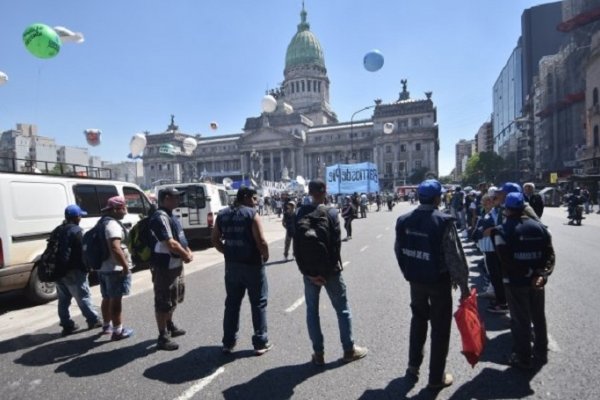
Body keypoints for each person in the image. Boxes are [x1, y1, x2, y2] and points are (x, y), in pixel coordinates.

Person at [394, 179, 469, 390]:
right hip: (438, 282)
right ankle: (436, 378)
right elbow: (454, 257)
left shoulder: (404, 220)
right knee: (440, 328)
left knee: (418, 320)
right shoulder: (442, 221)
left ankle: (412, 367)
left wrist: (408, 272)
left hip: (416, 280)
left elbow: (398, 250)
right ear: (437, 199)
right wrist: (463, 287)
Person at [294, 179, 368, 366]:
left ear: (309, 192)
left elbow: (297, 247)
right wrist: (326, 273)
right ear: (325, 191)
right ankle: (349, 349)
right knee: (342, 309)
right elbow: (335, 246)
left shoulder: (300, 212)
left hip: (309, 272)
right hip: (331, 272)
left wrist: (308, 273)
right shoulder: (332, 213)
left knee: (312, 311)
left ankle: (318, 354)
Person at [493, 192, 555, 369]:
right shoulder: (541, 228)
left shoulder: (502, 231)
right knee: (538, 317)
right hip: (537, 282)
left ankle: (522, 357)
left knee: (520, 320)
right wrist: (541, 274)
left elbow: (505, 259)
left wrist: (526, 271)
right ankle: (541, 352)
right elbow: (549, 255)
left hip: (515, 282)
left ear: (507, 209)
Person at [211, 186, 272, 355]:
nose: (256, 201)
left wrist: (227, 252)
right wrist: (265, 255)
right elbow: (262, 241)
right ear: (245, 197)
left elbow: (215, 239)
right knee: (258, 302)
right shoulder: (252, 214)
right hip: (252, 265)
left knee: (232, 303)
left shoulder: (222, 214)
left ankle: (228, 343)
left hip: (232, 266)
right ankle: (260, 342)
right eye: (254, 198)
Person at [149, 187, 194, 351]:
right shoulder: (160, 217)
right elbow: (170, 243)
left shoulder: (170, 215)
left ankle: (169, 325)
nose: (178, 200)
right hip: (164, 266)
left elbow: (179, 238)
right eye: (176, 197)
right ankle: (162, 336)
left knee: (174, 297)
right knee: (163, 300)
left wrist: (187, 250)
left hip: (174, 264)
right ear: (166, 198)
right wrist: (185, 255)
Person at [55, 205, 102, 336]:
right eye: (80, 215)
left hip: (59, 271)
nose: (81, 217)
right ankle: (93, 320)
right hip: (74, 270)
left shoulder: (59, 229)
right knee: (83, 296)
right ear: (76, 217)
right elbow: (82, 252)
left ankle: (66, 324)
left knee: (63, 299)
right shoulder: (76, 231)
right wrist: (87, 267)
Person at [98, 196, 134, 340]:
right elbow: (115, 247)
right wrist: (125, 266)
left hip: (103, 267)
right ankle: (118, 330)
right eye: (124, 207)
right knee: (116, 300)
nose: (126, 210)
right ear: (116, 209)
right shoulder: (112, 225)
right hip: (114, 269)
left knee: (106, 297)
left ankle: (107, 326)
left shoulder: (101, 222)